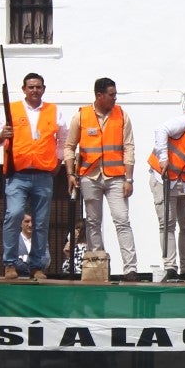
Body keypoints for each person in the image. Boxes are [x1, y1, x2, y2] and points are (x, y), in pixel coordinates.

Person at [65, 77, 138, 281]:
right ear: (99, 95)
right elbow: (69, 146)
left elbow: (129, 147)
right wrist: (71, 173)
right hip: (90, 175)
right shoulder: (81, 116)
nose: (115, 98)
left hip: (116, 177)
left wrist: (129, 179)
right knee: (93, 222)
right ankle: (97, 269)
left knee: (122, 219)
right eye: (111, 94)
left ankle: (130, 269)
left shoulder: (122, 115)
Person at [0, 72, 65, 280]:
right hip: (18, 173)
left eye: (38, 87)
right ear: (24, 89)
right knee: (14, 214)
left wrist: (58, 161)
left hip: (43, 174)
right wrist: (3, 135)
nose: (34, 90)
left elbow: (63, 136)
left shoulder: (53, 111)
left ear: (43, 89)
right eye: (31, 87)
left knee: (41, 221)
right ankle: (10, 263)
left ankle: (37, 266)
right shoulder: (12, 109)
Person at [149, 101, 185, 281]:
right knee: (167, 224)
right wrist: (163, 158)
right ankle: (170, 267)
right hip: (164, 178)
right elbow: (161, 129)